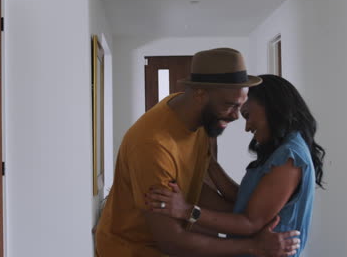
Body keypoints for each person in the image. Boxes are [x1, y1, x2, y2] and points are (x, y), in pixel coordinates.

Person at [95, 50, 301, 257]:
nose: (237, 116)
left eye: (240, 106)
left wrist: (247, 218)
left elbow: (192, 187)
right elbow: (172, 242)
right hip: (130, 250)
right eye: (230, 105)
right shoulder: (153, 146)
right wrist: (254, 246)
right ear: (200, 94)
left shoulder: (197, 118)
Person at [146, 74, 325, 257]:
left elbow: (249, 221)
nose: (247, 127)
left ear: (271, 105)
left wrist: (186, 211)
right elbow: (243, 200)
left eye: (247, 115)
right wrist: (210, 164)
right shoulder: (282, 150)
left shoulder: (289, 157)